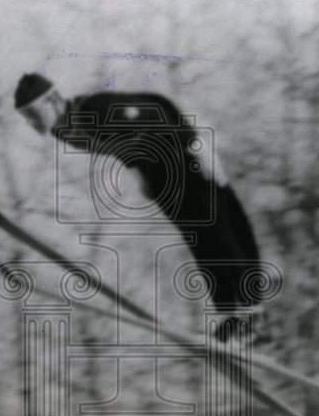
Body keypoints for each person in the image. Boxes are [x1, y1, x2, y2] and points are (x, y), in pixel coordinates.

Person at [14, 72, 268, 343]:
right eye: (25, 116)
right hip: (160, 176)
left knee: (219, 232)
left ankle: (253, 313)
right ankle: (229, 314)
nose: (31, 122)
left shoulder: (93, 109)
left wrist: (196, 146)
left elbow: (156, 108)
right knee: (199, 242)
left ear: (51, 101)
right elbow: (122, 144)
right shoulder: (64, 131)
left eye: (32, 112)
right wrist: (140, 174)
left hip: (184, 158)